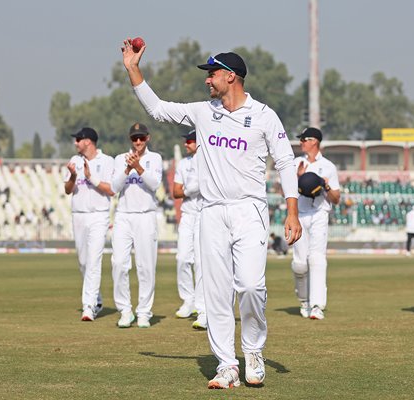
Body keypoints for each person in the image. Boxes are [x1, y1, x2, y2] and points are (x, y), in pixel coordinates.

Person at [122, 43, 302, 389]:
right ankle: (226, 365)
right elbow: (158, 109)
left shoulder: (264, 115)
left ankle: (253, 351)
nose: (207, 80)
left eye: (212, 73)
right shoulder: (204, 112)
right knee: (217, 293)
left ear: (230, 76)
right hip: (211, 211)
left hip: (249, 209)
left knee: (250, 285)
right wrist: (133, 68)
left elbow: (284, 162)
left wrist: (292, 212)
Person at [110, 123, 163, 328]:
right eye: (134, 138)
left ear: (147, 138)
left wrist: (138, 167)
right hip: (124, 215)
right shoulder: (119, 158)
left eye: (141, 138)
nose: (138, 142)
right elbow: (114, 187)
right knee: (119, 263)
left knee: (146, 266)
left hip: (146, 215)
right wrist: (127, 168)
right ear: (130, 139)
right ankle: (125, 310)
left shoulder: (154, 158)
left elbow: (155, 184)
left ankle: (144, 312)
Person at [63, 127, 114, 321]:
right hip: (79, 215)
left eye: (78, 139)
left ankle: (89, 306)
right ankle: (97, 299)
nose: (75, 143)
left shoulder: (107, 161)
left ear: (88, 141)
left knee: (93, 261)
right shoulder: (74, 161)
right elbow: (68, 190)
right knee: (84, 262)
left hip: (99, 215)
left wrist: (91, 177)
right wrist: (75, 176)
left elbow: (111, 189)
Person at [291, 127, 341, 320]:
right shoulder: (296, 163)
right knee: (300, 264)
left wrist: (326, 185)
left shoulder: (328, 166)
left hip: (320, 213)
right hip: (300, 214)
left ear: (315, 141)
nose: (301, 142)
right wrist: (297, 177)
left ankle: (317, 305)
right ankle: (303, 300)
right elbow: (283, 191)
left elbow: (336, 198)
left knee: (317, 259)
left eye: (304, 139)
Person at [172, 130, 207, 330]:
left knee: (201, 262)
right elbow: (177, 192)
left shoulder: (208, 159)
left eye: (190, 141)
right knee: (183, 258)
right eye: (185, 141)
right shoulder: (184, 164)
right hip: (188, 214)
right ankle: (188, 300)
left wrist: (188, 188)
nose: (186, 144)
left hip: (204, 214)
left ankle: (203, 309)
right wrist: (191, 188)